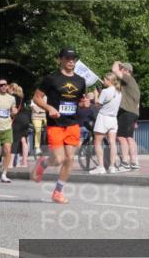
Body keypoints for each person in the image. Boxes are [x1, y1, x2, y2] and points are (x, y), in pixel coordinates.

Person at [30, 48, 92, 203]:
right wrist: (49, 108)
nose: (71, 61)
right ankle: (43, 163)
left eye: (73, 58)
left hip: (72, 123)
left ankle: (58, 192)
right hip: (55, 123)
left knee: (70, 158)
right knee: (58, 159)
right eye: (67, 58)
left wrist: (84, 103)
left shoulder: (80, 81)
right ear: (61, 60)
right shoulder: (52, 78)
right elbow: (37, 98)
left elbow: (80, 100)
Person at [112, 61, 141, 171]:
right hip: (133, 113)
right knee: (129, 137)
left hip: (126, 112)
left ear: (127, 71)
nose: (120, 70)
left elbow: (114, 70)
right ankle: (133, 161)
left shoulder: (128, 79)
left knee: (121, 137)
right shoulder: (133, 84)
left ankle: (125, 162)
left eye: (122, 69)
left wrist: (117, 62)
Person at [91, 72, 121, 175]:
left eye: (105, 79)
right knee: (112, 143)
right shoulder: (119, 92)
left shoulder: (104, 91)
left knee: (97, 142)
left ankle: (101, 167)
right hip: (113, 119)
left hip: (103, 118)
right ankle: (112, 167)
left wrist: (96, 95)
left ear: (109, 80)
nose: (103, 81)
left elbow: (97, 105)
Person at [10, 84, 32, 170]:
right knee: (24, 140)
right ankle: (24, 162)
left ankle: (11, 163)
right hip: (25, 119)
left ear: (12, 88)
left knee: (15, 140)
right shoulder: (22, 98)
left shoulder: (12, 97)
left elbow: (13, 110)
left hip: (18, 119)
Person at [0, 79, 16, 182]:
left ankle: (4, 174)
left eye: (5, 85)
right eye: (1, 85)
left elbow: (12, 110)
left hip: (7, 127)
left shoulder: (11, 98)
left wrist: (13, 112)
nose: (3, 87)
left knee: (8, 151)